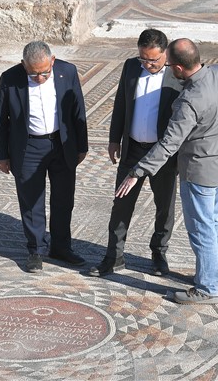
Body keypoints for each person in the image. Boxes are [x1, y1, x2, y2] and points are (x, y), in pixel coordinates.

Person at [115, 38, 218, 304]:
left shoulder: (189, 101)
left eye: (169, 65)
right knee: (214, 220)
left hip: (199, 172)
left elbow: (168, 144)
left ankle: (207, 288)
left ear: (179, 69)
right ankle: (217, 274)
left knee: (201, 229)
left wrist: (137, 171)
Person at [89, 29, 182, 277]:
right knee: (121, 204)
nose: (148, 64)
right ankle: (114, 257)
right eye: (144, 58)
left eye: (154, 59)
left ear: (166, 53)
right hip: (132, 149)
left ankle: (159, 254)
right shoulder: (131, 67)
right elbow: (121, 103)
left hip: (162, 154)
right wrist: (113, 139)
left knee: (164, 207)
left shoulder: (178, 73)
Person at [0, 41, 88, 273]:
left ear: (52, 61)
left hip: (61, 144)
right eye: (33, 73)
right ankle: (36, 249)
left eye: (45, 73)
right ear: (24, 65)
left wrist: (82, 147)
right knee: (31, 201)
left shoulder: (68, 72)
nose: (39, 78)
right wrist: (2, 155)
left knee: (63, 199)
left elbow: (78, 111)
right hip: (28, 148)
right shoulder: (10, 78)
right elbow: (0, 120)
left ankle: (62, 247)